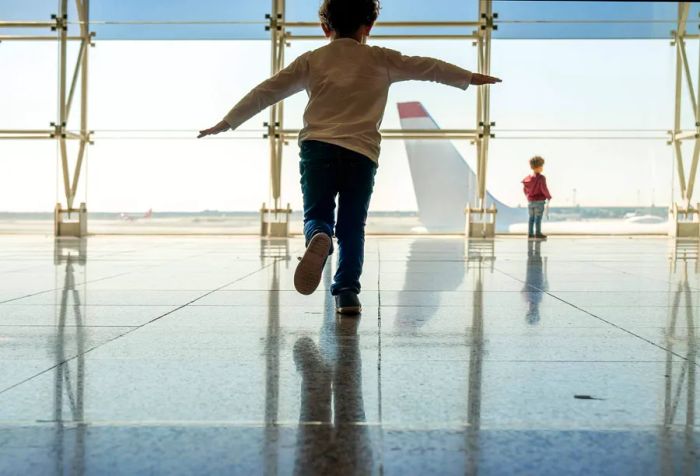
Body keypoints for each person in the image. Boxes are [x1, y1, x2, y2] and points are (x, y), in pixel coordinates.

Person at [198, 0, 501, 314]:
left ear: (325, 28)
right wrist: (468, 77)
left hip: (317, 149)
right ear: (368, 27)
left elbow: (266, 91)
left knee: (317, 215)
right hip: (361, 154)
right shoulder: (381, 59)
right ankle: (347, 293)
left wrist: (227, 121)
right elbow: (428, 67)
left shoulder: (312, 60)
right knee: (353, 226)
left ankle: (319, 237)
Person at [522, 156, 552, 239]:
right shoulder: (541, 178)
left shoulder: (527, 179)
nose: (542, 168)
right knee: (538, 218)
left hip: (530, 202)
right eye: (541, 166)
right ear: (538, 167)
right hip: (539, 201)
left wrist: (528, 197)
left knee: (531, 218)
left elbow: (525, 190)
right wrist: (548, 196)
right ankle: (537, 233)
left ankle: (530, 233)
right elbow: (544, 189)